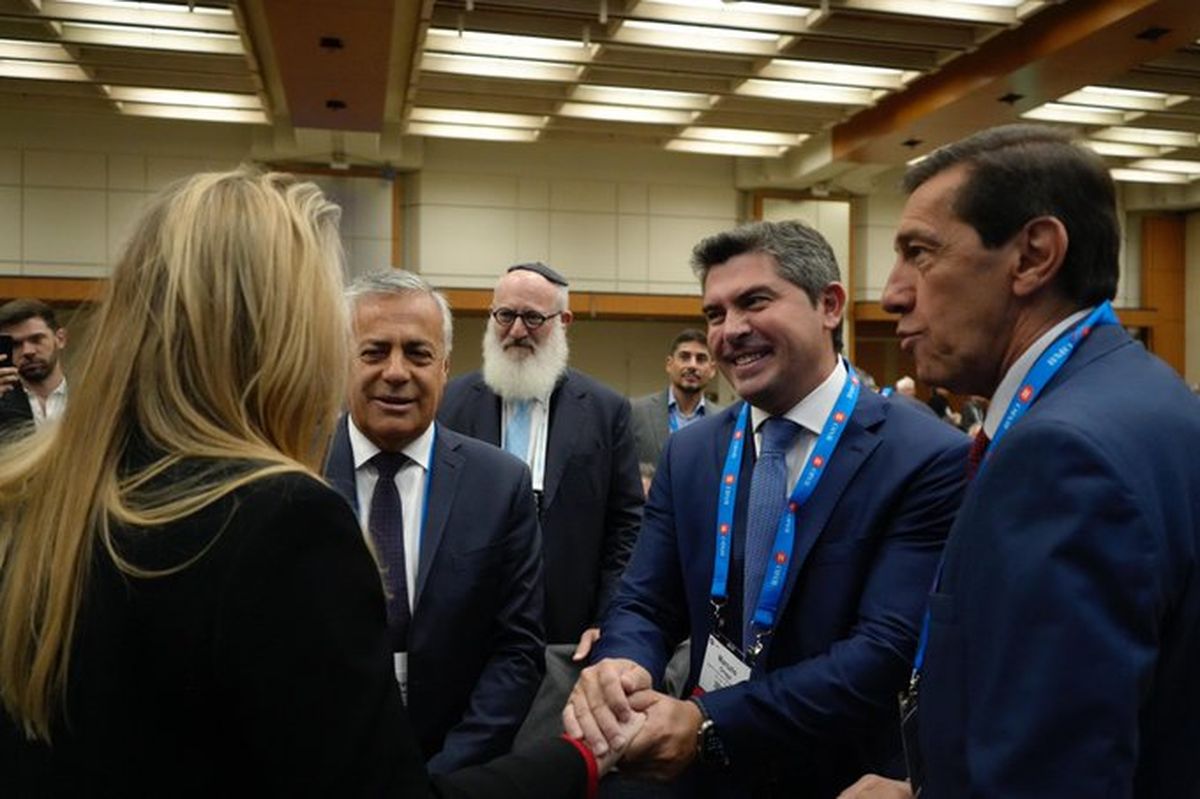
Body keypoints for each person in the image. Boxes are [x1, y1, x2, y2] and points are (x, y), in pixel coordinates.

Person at [0, 168, 640, 797]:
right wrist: (578, 760)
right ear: (273, 336)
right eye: (358, 344)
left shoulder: (51, 500)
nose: (391, 371)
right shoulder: (280, 514)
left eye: (417, 354)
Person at [839, 124, 1200, 799]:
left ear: (1033, 256)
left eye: (920, 253)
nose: (892, 293)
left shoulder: (1060, 455)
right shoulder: (1147, 397)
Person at [565, 220, 970, 798]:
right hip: (702, 779)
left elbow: (883, 651)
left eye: (755, 302)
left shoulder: (924, 455)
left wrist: (709, 722)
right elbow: (645, 600)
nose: (730, 331)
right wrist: (623, 666)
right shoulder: (692, 452)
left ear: (829, 305)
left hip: (843, 777)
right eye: (715, 313)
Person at [324, 270, 545, 774]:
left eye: (418, 354)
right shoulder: (295, 471)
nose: (396, 372)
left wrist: (446, 775)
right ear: (341, 361)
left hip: (456, 768)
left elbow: (517, 650)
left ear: (445, 367)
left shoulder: (500, 485)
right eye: (374, 352)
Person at [438, 262, 643, 655]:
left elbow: (626, 526)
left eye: (533, 318)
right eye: (505, 315)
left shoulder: (606, 410)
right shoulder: (449, 404)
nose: (517, 331)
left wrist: (609, 617)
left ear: (563, 321)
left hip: (567, 632)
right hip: (465, 628)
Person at [631, 329, 723, 466]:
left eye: (701, 359)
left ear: (712, 370)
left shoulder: (723, 420)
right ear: (669, 364)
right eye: (685, 357)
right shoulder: (637, 412)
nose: (692, 365)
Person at [0, 299, 68, 434]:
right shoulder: (2, 400)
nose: (27, 351)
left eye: (36, 339)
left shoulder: (88, 395)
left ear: (60, 339)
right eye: (16, 344)